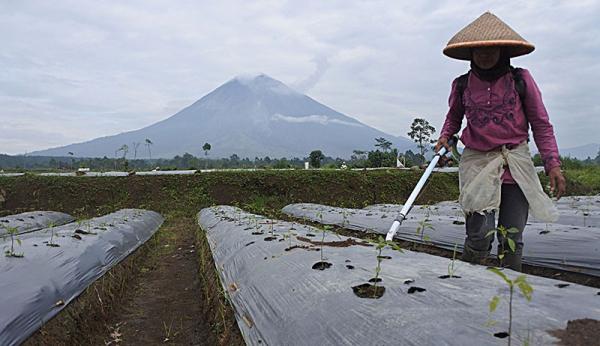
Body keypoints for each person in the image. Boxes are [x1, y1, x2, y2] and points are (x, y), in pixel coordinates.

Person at [435, 12, 566, 271]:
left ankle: (510, 296)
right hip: (478, 164)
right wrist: (444, 137)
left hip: (515, 165)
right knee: (479, 235)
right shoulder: (462, 85)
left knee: (512, 236)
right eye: (479, 50)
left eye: (491, 49)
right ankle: (470, 288)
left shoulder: (520, 80)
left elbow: (541, 124)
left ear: (502, 50)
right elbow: (453, 119)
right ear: (471, 53)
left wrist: (553, 164)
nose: (485, 55)